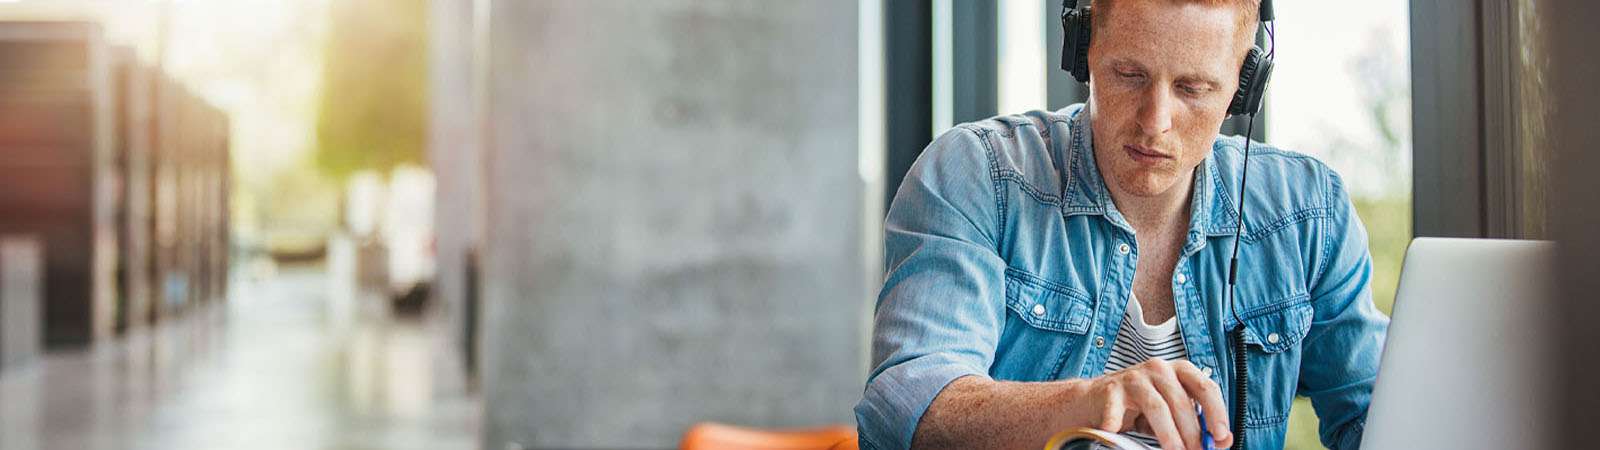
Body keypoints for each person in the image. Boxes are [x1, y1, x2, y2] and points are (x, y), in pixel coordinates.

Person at [853, 1, 1389, 449]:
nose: (1155, 121)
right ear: (1083, 50)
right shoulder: (978, 176)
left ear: (1244, 86)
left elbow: (1379, 412)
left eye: (1193, 88)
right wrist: (1089, 404)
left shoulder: (1308, 212)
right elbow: (905, 405)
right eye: (1129, 76)